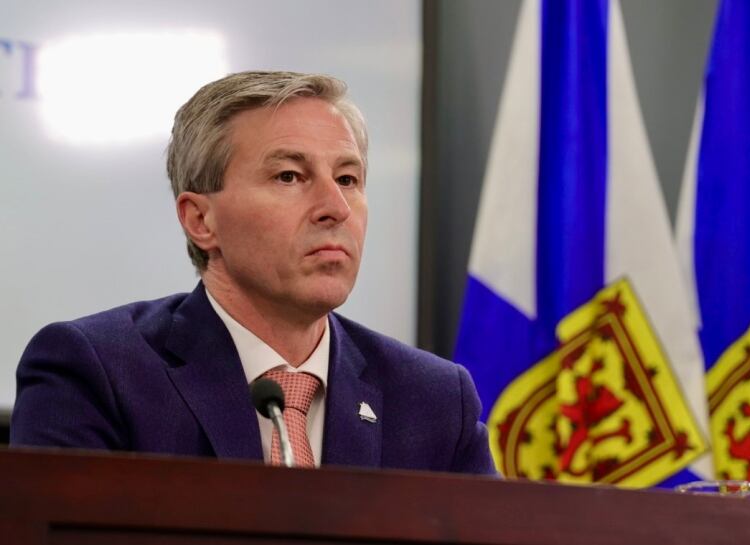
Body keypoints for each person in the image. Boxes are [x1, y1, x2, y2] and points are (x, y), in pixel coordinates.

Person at [10, 71, 496, 474]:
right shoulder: (96, 373)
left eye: (348, 179)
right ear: (201, 220)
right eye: (289, 176)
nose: (336, 207)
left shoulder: (433, 400)